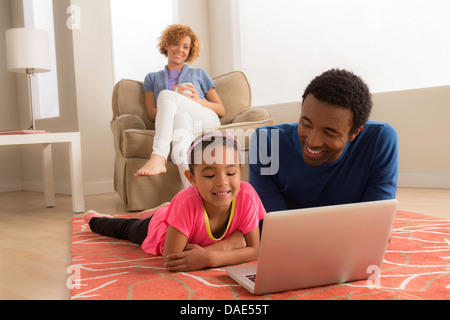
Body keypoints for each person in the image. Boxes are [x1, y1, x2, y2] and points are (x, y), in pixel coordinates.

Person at [84, 133, 266, 272]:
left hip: (180, 218)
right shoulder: (187, 202)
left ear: (240, 171)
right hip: (158, 229)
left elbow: (254, 250)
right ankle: (94, 220)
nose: (222, 182)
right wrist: (229, 245)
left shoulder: (247, 195)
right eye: (210, 175)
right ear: (191, 178)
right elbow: (172, 258)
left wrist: (210, 258)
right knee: (126, 228)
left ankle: (166, 210)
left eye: (231, 173)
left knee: (170, 211)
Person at [249, 69, 399, 213]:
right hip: (292, 237)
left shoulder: (380, 140)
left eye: (329, 133)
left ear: (355, 133)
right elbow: (267, 225)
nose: (313, 142)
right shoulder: (267, 142)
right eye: (306, 124)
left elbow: (375, 222)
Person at [134, 24, 225, 188]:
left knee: (166, 95)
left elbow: (221, 110)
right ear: (166, 45)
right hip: (182, 122)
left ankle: (159, 155)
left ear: (190, 51)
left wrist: (197, 100)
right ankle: (191, 192)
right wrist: (175, 98)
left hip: (206, 119)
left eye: (186, 47)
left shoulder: (200, 74)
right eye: (175, 43)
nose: (180, 50)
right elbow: (152, 114)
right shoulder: (152, 78)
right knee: (180, 124)